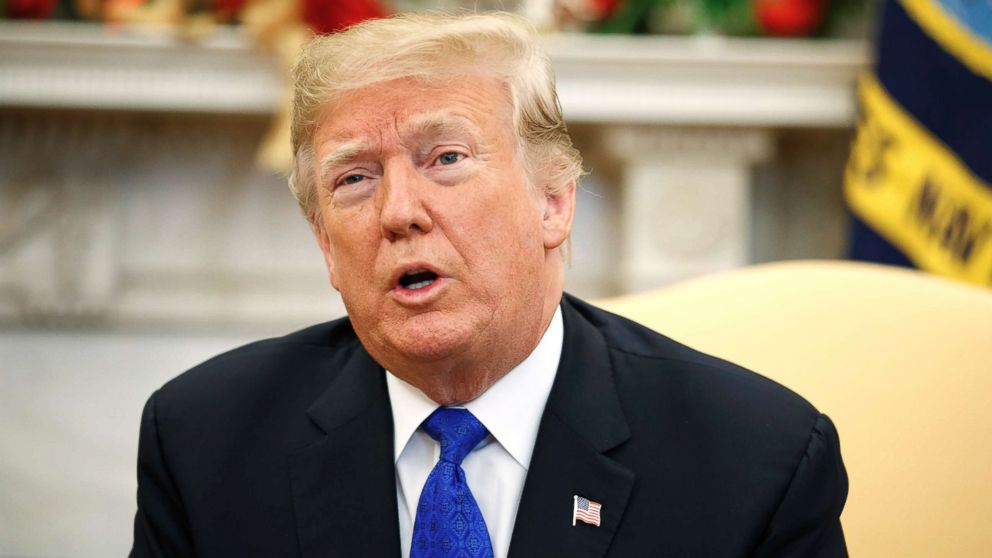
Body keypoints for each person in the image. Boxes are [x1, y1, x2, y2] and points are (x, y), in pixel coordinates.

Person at [130, 12, 848, 558]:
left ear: (554, 202)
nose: (399, 212)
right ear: (324, 242)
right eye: (354, 178)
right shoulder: (206, 442)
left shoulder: (755, 462)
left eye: (445, 157)